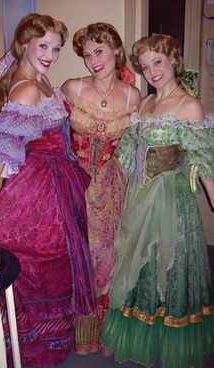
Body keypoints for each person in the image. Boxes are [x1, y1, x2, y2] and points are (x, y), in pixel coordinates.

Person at [0, 13, 96, 368]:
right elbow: (2, 149)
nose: (50, 54)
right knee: (43, 261)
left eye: (56, 48)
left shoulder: (40, 79)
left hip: (59, 182)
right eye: (42, 45)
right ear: (24, 44)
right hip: (40, 190)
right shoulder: (28, 88)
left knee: (55, 263)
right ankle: (31, 344)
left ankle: (48, 339)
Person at [102, 34, 214, 367]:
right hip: (138, 196)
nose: (152, 71)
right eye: (146, 65)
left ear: (173, 61)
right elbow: (127, 153)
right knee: (138, 269)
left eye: (158, 62)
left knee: (167, 269)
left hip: (170, 203)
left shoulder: (189, 105)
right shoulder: (144, 104)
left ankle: (167, 343)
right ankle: (135, 332)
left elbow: (204, 162)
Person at [61, 22, 141, 356]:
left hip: (111, 185)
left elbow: (137, 145)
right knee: (79, 257)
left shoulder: (134, 96)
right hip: (75, 183)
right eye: (86, 54)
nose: (92, 60)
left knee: (108, 258)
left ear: (115, 50)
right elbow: (51, 135)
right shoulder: (72, 88)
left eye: (99, 51)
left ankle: (107, 332)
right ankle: (82, 334)